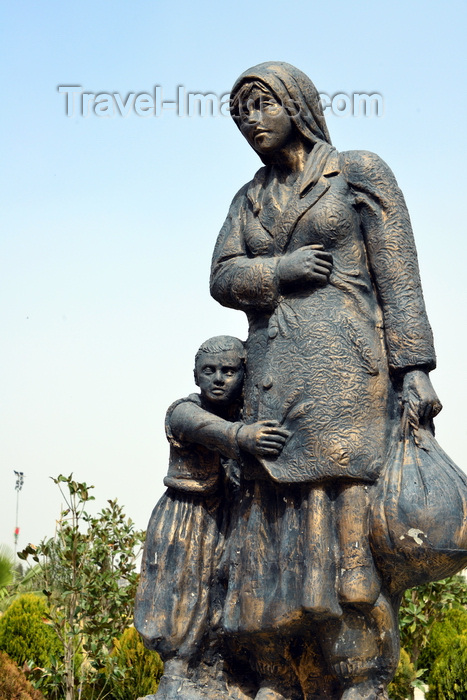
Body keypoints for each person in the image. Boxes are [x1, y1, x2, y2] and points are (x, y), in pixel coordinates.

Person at [210, 63, 442, 700]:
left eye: (261, 105)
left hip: (346, 378)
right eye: (240, 114)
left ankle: (360, 674)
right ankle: (279, 672)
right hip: (275, 386)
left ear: (296, 104)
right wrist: (280, 269)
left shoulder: (359, 172)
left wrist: (414, 369)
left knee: (346, 530)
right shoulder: (248, 198)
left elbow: (400, 280)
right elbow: (222, 276)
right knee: (273, 532)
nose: (250, 122)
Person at [134, 335, 289, 699]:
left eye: (229, 370)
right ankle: (175, 675)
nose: (219, 378)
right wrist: (243, 436)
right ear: (195, 375)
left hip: (231, 519)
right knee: (180, 592)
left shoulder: (248, 414)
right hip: (186, 516)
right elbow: (208, 430)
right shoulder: (183, 412)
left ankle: (223, 672)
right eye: (210, 370)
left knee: (224, 592)